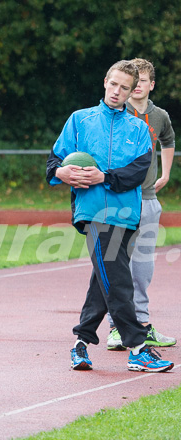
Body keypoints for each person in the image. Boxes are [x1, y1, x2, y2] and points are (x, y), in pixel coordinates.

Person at [46, 59, 173, 373]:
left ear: (131, 92)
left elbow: (137, 171)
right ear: (105, 82)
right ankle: (138, 347)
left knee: (103, 279)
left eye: (125, 88)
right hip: (93, 212)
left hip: (128, 214)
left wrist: (104, 176)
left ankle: (81, 342)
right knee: (117, 280)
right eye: (114, 84)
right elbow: (54, 162)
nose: (117, 91)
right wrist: (62, 172)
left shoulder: (140, 129)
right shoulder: (80, 120)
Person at [105, 58, 176, 351]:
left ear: (151, 85)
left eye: (144, 81)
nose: (137, 87)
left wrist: (167, 174)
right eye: (134, 82)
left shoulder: (159, 116)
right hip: (121, 199)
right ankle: (115, 326)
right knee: (115, 264)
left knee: (143, 267)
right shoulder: (118, 112)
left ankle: (143, 323)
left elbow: (168, 140)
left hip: (148, 198)